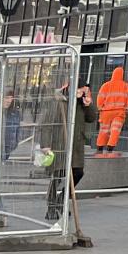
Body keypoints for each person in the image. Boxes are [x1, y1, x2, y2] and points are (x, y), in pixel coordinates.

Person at [38, 82, 95, 222]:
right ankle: (51, 206)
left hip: (76, 146)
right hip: (60, 144)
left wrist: (88, 105)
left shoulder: (81, 103)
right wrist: (45, 145)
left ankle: (61, 198)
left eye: (83, 90)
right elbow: (46, 124)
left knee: (77, 172)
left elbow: (91, 118)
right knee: (58, 175)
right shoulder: (59, 102)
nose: (81, 92)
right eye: (79, 89)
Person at [95, 68, 128, 156]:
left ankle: (100, 147)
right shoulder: (126, 86)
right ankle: (110, 147)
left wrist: (100, 107)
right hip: (119, 112)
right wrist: (126, 108)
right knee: (115, 130)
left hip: (106, 112)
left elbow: (100, 98)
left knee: (104, 130)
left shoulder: (106, 85)